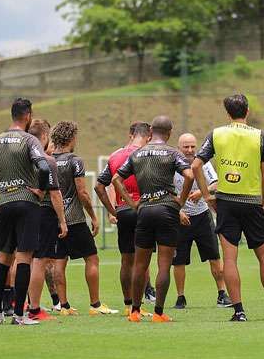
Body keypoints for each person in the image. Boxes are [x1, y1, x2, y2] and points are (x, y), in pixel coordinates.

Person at [192, 94, 264, 322]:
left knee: (230, 259)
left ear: (227, 113)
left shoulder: (216, 134)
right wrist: (263, 200)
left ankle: (239, 312)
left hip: (226, 201)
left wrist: (206, 195)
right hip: (252, 201)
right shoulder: (260, 136)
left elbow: (196, 165)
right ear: (248, 111)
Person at [0, 98, 66, 325]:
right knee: (25, 258)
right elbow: (44, 165)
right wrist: (40, 189)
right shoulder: (29, 140)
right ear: (27, 115)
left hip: (5, 203)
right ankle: (20, 315)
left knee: (4, 260)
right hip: (27, 203)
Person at [113, 115, 195, 323]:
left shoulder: (138, 154)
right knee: (164, 264)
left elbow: (116, 179)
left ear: (150, 133)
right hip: (166, 209)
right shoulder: (172, 153)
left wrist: (132, 204)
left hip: (144, 209)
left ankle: (134, 311)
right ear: (169, 133)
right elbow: (190, 175)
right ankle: (158, 313)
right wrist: (180, 202)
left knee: (140, 264)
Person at [49, 121, 117, 316]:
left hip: (53, 217)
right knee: (92, 258)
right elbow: (82, 193)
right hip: (75, 218)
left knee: (59, 262)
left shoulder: (46, 159)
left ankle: (64, 306)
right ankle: (95, 305)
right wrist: (94, 217)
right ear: (71, 138)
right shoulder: (74, 160)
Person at [95, 121, 153, 315]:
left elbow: (98, 186)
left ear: (131, 135)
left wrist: (113, 210)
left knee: (126, 260)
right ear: (149, 137)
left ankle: (128, 305)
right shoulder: (147, 155)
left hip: (123, 211)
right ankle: (138, 306)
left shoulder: (114, 156)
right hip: (143, 210)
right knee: (142, 261)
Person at [172, 132, 232, 310]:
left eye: (192, 146)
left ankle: (222, 294)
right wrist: (178, 211)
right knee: (179, 260)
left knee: (214, 256)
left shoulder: (203, 164)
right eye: (186, 147)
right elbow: (166, 190)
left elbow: (216, 182)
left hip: (203, 216)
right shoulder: (172, 165)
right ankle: (180, 297)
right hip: (180, 217)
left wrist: (201, 191)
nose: (190, 150)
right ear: (179, 148)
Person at [25, 119, 68, 320]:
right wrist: (62, 220)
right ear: (44, 136)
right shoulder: (47, 161)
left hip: (22, 211)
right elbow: (55, 194)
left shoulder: (20, 157)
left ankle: (19, 302)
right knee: (40, 261)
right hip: (43, 213)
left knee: (22, 258)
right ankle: (34, 309)